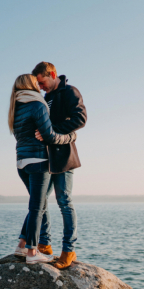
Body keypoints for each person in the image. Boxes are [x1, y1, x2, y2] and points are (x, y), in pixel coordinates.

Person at [9, 74, 76, 264]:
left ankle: (21, 245)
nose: (40, 86)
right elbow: (50, 136)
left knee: (37, 204)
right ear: (31, 85)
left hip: (21, 162)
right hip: (39, 161)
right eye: (36, 83)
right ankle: (32, 253)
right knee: (38, 207)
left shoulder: (16, 108)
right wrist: (70, 137)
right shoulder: (37, 105)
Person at [32, 62, 87, 269]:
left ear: (52, 74)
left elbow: (81, 119)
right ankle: (45, 244)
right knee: (41, 200)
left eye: (42, 82)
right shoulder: (46, 98)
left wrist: (51, 131)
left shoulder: (70, 91)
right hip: (46, 157)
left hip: (64, 156)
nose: (40, 87)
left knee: (64, 201)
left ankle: (68, 250)